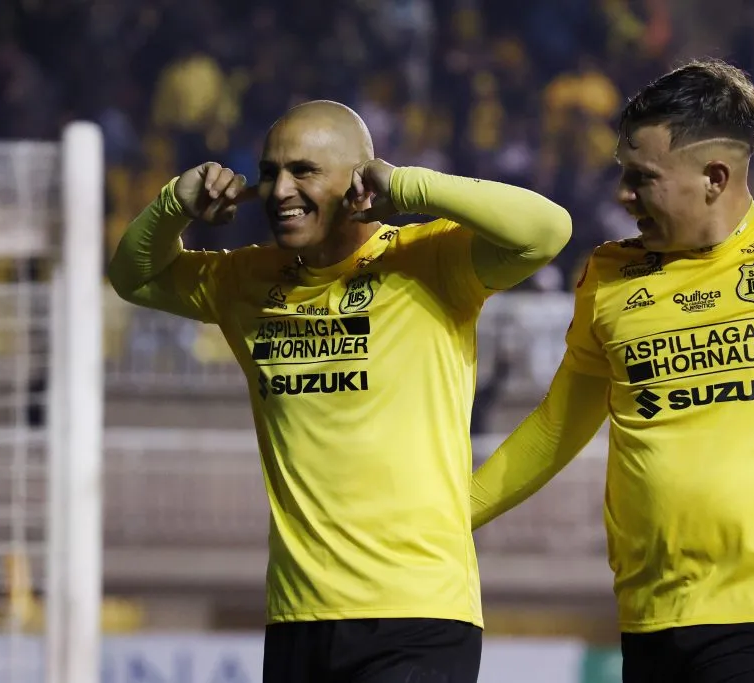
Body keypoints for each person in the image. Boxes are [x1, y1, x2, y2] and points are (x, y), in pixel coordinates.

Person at [110, 99, 571, 683]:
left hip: (416, 613)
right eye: (270, 171)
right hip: (297, 618)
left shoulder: (427, 261)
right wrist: (177, 202)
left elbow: (547, 231)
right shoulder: (245, 280)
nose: (279, 190)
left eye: (303, 171)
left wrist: (407, 186)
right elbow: (135, 276)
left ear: (358, 181)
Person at [470, 59, 754, 683]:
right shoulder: (609, 275)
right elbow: (556, 427)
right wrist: (450, 516)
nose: (621, 196)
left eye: (642, 179)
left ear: (714, 178)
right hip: (651, 620)